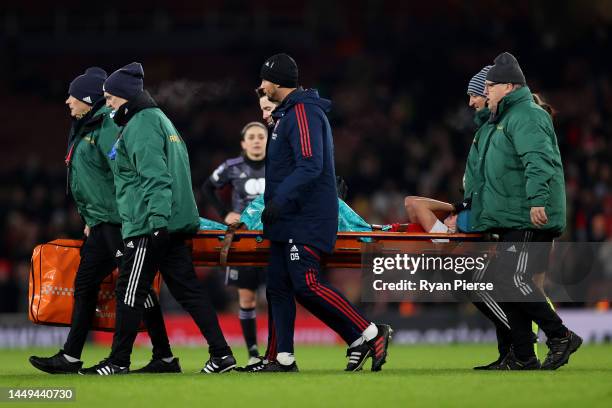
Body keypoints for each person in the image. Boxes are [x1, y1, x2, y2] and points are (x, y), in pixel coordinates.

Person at [79, 62, 235, 375]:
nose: (107, 102)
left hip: (151, 224)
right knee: (187, 290)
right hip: (170, 222)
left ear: (124, 96)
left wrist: (157, 223)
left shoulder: (140, 124)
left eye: (110, 97)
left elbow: (155, 178)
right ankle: (222, 355)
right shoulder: (160, 119)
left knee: (130, 289)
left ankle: (118, 361)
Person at [29, 67, 178, 375]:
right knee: (85, 284)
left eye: (73, 95)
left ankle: (161, 355)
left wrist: (128, 216)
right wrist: (90, 218)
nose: (68, 101)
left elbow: (124, 173)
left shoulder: (107, 127)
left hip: (117, 222)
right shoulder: (87, 126)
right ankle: (72, 356)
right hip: (100, 222)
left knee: (136, 288)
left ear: (87, 98)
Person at [256, 53, 391, 372]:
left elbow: (310, 164)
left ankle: (371, 332)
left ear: (276, 83)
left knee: (305, 283)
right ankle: (280, 358)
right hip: (287, 218)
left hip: (304, 218)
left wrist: (280, 200)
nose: (261, 86)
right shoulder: (287, 115)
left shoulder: (303, 112)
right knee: (278, 286)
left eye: (263, 80)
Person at [472, 52, 581, 370]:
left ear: (507, 86)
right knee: (503, 280)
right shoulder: (507, 118)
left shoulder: (527, 116)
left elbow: (539, 161)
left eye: (490, 86)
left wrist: (537, 201)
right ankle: (523, 356)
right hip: (512, 214)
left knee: (511, 278)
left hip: (528, 213)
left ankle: (560, 336)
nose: (486, 92)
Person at [202, 121, 268, 366]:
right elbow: (207, 187)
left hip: (273, 238)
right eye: (251, 136)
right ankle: (252, 354)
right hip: (244, 241)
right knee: (247, 299)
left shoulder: (278, 166)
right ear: (243, 143)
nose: (256, 140)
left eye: (261, 136)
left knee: (278, 295)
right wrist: (225, 213)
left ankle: (277, 352)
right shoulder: (232, 167)